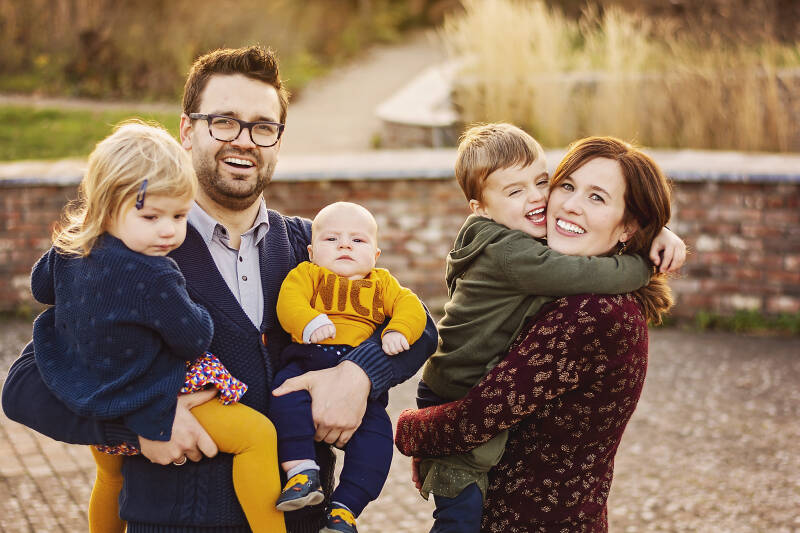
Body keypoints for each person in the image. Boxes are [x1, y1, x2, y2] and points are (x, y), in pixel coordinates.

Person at [2, 46, 437, 533]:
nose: (244, 140)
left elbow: (419, 325)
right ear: (187, 131)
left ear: (277, 139)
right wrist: (139, 427)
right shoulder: (131, 251)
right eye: (224, 121)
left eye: (262, 127)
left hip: (300, 521)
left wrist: (357, 375)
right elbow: (22, 387)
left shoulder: (308, 245)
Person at [411, 124, 685, 533]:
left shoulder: (591, 315)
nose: (564, 204)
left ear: (628, 225)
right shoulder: (542, 270)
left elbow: (476, 419)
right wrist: (646, 241)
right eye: (567, 186)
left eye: (596, 197)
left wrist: (410, 431)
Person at [30, 121, 286, 533]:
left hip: (91, 389)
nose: (168, 230)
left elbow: (41, 287)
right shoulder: (155, 274)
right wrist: (198, 309)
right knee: (257, 436)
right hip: (155, 390)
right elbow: (193, 337)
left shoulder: (69, 251)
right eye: (150, 215)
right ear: (105, 206)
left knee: (111, 477)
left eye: (180, 215)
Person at [270, 201, 427, 533]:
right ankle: (301, 472)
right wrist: (309, 321)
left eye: (358, 240)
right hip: (305, 364)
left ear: (375, 255)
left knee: (379, 438)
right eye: (331, 240)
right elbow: (289, 300)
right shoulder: (308, 274)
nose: (344, 245)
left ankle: (345, 508)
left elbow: (413, 309)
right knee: (285, 397)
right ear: (311, 252)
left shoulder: (382, 284)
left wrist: (399, 330)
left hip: (359, 384)